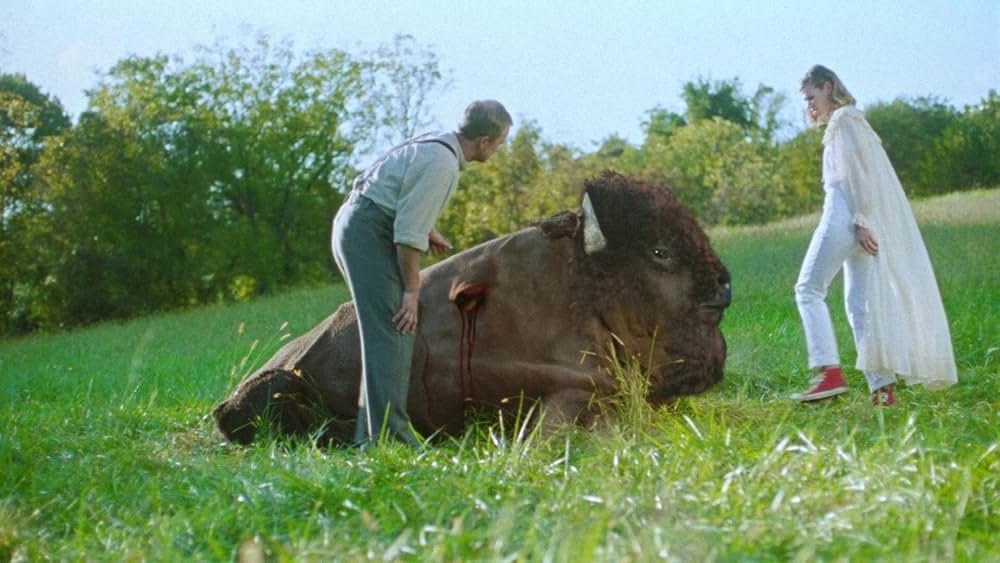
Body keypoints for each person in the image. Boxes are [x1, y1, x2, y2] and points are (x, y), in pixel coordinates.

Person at [332, 100, 511, 446]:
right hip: (366, 234)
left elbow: (400, 195)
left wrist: (425, 229)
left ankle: (371, 439)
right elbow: (407, 237)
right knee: (396, 327)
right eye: (500, 143)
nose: (500, 150)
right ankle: (390, 438)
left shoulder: (439, 144)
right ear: (485, 141)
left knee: (388, 333)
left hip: (360, 224)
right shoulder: (442, 163)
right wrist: (412, 292)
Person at [791, 65, 957, 406]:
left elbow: (862, 174)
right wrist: (864, 220)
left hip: (846, 215)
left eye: (811, 96)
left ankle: (829, 372)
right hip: (857, 218)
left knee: (808, 289)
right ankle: (882, 389)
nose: (809, 105)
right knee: (859, 305)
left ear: (827, 87)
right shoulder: (850, 121)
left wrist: (862, 219)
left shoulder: (844, 120)